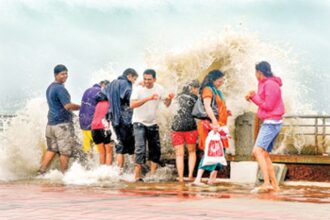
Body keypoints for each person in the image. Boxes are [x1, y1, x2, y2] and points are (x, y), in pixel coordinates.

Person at [245, 61, 285, 192]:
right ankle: (275, 185)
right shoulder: (263, 83)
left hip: (271, 123)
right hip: (270, 121)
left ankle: (267, 183)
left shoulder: (271, 84)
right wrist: (252, 97)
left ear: (259, 72)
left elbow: (268, 105)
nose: (255, 75)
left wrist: (254, 97)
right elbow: (262, 101)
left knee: (257, 151)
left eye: (255, 72)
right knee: (265, 154)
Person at [130, 69, 175, 182]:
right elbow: (132, 105)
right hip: (139, 122)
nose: (146, 81)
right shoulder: (138, 89)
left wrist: (170, 98)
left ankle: (152, 175)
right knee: (140, 148)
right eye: (145, 79)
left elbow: (166, 104)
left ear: (154, 79)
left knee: (155, 149)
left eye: (149, 79)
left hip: (152, 122)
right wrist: (148, 98)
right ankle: (137, 176)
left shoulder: (159, 88)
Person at [38, 64, 80, 174]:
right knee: (65, 152)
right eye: (62, 74)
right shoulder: (60, 89)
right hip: (62, 125)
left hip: (51, 125)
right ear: (56, 75)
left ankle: (41, 172)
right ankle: (64, 176)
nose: (65, 76)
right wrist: (82, 107)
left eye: (66, 73)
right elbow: (68, 106)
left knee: (51, 149)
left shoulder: (50, 87)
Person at [193, 70, 230, 186]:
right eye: (220, 81)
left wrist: (226, 112)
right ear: (213, 79)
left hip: (219, 124)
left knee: (221, 151)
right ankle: (198, 179)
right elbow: (208, 107)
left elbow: (217, 107)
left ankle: (212, 178)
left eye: (223, 80)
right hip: (210, 124)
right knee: (210, 150)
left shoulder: (217, 91)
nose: (221, 83)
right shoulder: (207, 90)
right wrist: (214, 122)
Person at [104, 68, 138, 169]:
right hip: (125, 118)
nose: (134, 82)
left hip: (114, 120)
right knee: (133, 146)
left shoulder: (111, 84)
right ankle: (136, 171)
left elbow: (100, 95)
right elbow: (129, 97)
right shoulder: (126, 83)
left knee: (120, 146)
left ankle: (119, 172)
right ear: (129, 76)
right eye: (134, 79)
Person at [171, 80, 200, 183]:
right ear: (193, 88)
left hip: (176, 127)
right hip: (190, 127)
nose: (197, 91)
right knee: (192, 152)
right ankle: (191, 175)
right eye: (197, 89)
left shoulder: (176, 97)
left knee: (179, 154)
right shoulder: (195, 98)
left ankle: (181, 178)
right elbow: (198, 113)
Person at [79, 80, 110, 155]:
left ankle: (88, 165)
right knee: (99, 148)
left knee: (87, 147)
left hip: (82, 121)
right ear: (104, 86)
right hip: (91, 122)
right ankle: (98, 165)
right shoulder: (100, 92)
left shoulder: (87, 90)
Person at [91, 92, 112, 165]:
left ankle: (102, 171)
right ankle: (108, 171)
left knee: (101, 152)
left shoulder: (98, 104)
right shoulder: (110, 104)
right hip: (104, 127)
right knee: (108, 151)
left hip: (94, 128)